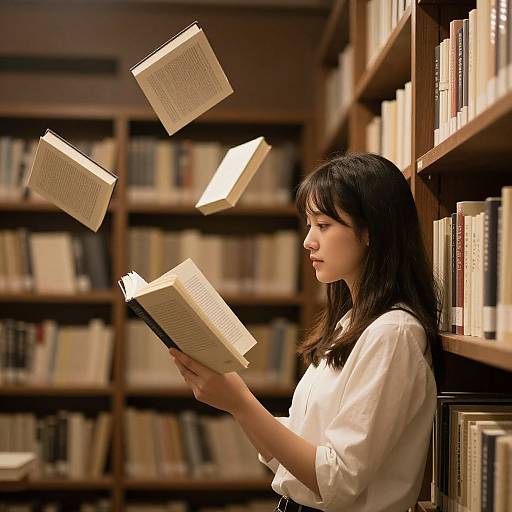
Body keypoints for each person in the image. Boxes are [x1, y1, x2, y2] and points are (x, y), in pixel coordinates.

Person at [169, 153, 441, 512]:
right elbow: (301, 447)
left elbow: (338, 479)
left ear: (372, 230)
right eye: (309, 225)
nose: (308, 241)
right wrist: (233, 402)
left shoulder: (394, 334)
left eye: (324, 225)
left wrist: (241, 403)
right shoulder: (351, 322)